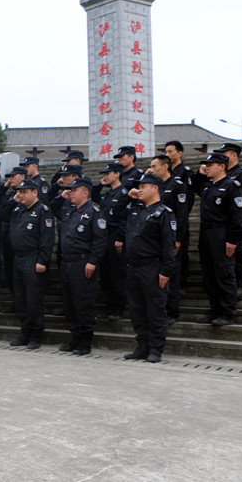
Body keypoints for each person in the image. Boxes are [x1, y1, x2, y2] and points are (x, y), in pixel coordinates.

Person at [122, 174, 177, 363]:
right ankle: (142, 346)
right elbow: (114, 212)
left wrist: (165, 271)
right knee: (137, 310)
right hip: (134, 267)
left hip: (152, 267)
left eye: (144, 186)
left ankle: (155, 349)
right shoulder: (138, 210)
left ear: (155, 188)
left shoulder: (164, 213)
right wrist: (129, 197)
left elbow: (169, 246)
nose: (140, 189)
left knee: (155, 310)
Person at [56, 177, 106, 355]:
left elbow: (100, 240)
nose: (71, 192)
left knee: (82, 302)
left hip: (83, 262)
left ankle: (85, 341)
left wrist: (93, 261)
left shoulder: (94, 212)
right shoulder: (70, 211)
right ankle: (75, 337)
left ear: (85, 192)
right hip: (67, 262)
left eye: (74, 190)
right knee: (69, 304)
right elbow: (54, 209)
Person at [194, 153, 242, 326]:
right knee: (208, 274)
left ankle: (227, 311)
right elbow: (195, 186)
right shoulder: (208, 187)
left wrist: (232, 239)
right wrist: (200, 174)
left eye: (210, 164)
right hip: (206, 233)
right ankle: (215, 309)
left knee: (224, 273)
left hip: (222, 233)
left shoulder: (232, 186)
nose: (207, 167)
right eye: (205, 164)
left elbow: (238, 216)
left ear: (222, 166)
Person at [8, 179, 54, 350]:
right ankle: (25, 332)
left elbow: (47, 238)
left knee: (33, 299)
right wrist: (15, 201)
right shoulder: (20, 210)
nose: (21, 194)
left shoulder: (43, 210)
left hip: (33, 259)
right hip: (18, 259)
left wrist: (43, 260)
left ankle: (35, 334)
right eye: (20, 192)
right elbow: (4, 215)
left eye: (24, 192)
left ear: (35, 192)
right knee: (20, 299)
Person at [144, 155, 189, 323]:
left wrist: (178, 239)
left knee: (172, 274)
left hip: (171, 236)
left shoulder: (178, 186)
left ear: (165, 167)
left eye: (154, 166)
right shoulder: (154, 186)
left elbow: (182, 215)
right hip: (154, 239)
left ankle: (172, 311)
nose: (152, 169)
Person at [93, 163, 129, 320]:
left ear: (117, 174)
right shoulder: (107, 194)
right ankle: (109, 305)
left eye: (108, 173)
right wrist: (99, 185)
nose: (105, 176)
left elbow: (124, 219)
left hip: (116, 237)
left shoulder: (124, 193)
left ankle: (118, 307)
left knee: (117, 273)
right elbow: (94, 196)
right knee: (106, 274)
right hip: (104, 237)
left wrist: (121, 237)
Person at [213, 142, 242, 292]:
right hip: (220, 222)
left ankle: (240, 282)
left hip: (236, 220)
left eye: (224, 154)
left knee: (238, 252)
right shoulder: (222, 176)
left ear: (234, 156)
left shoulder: (241, 174)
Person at [165, 140, 195, 290]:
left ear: (180, 153)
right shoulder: (166, 171)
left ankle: (183, 281)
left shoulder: (185, 171)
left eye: (171, 151)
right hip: (166, 218)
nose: (168, 154)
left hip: (179, 217)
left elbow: (188, 198)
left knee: (181, 251)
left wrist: (181, 215)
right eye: (166, 152)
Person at [0, 166, 27, 292]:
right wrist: (6, 188)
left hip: (22, 240)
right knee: (9, 271)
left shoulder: (30, 195)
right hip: (8, 236)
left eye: (13, 176)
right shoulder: (12, 194)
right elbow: (2, 214)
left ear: (22, 177)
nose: (10, 179)